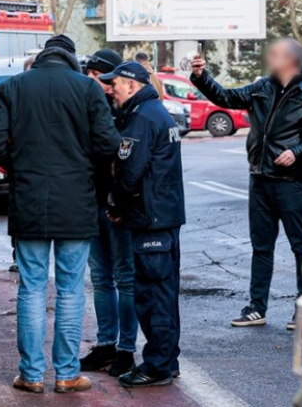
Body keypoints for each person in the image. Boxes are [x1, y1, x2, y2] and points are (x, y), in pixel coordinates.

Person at [0, 34, 119, 395]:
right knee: (71, 289)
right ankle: (66, 374)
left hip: (29, 199)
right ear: (73, 60)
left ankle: (30, 374)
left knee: (31, 287)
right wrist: (85, 166)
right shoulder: (87, 89)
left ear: (43, 56)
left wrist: (18, 165)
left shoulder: (12, 87)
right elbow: (108, 143)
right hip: (76, 200)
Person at [191, 38, 302, 329]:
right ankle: (256, 308)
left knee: (301, 246)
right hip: (259, 178)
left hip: (292, 181)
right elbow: (226, 98)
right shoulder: (262, 87)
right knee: (261, 247)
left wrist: (297, 152)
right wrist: (201, 76)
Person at [103, 61, 185, 388]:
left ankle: (158, 366)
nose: (111, 90)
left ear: (132, 85)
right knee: (163, 292)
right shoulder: (155, 112)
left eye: (115, 84)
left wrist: (116, 206)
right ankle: (166, 361)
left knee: (153, 296)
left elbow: (130, 171)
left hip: (151, 220)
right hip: (162, 217)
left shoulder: (143, 118)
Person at [78, 49, 138, 376]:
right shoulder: (85, 106)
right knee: (101, 278)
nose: (93, 82)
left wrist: (120, 201)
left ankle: (126, 349)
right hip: (92, 202)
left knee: (125, 278)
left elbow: (129, 159)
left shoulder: (126, 110)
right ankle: (105, 345)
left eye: (98, 77)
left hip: (119, 206)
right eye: (89, 75)